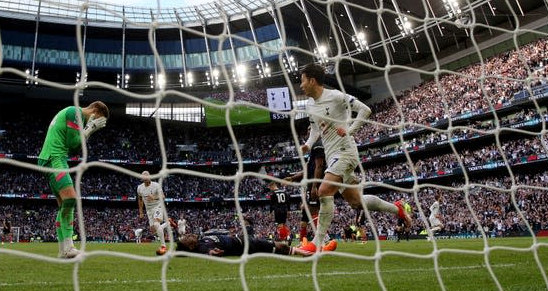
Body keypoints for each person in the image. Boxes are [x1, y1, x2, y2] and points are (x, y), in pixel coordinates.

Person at [297, 63, 412, 254]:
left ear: (312, 80)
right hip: (331, 155)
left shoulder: (336, 97)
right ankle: (397, 208)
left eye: (302, 81)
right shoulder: (310, 105)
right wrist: (308, 145)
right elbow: (316, 129)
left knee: (324, 190)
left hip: (345, 152)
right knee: (356, 203)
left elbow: (365, 110)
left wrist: (349, 130)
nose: (301, 86)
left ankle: (317, 243)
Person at [38, 101, 109, 258]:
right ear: (95, 110)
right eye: (98, 118)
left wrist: (88, 129)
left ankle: (63, 250)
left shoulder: (78, 118)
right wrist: (90, 128)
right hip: (54, 157)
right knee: (71, 199)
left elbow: (75, 148)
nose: (97, 122)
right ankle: (69, 247)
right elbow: (73, 143)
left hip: (54, 158)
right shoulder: (74, 112)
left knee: (64, 204)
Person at [284, 133, 325, 245]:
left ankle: (322, 240)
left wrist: (314, 186)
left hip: (315, 183)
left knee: (314, 211)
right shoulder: (313, 147)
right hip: (310, 185)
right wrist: (292, 178)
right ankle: (303, 242)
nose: (308, 132)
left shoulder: (318, 144)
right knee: (305, 216)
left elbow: (319, 166)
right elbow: (307, 169)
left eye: (310, 129)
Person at [175, 233, 312, 257]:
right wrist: (213, 253)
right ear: (191, 247)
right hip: (245, 245)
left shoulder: (202, 240)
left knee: (276, 246)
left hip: (243, 240)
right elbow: (209, 252)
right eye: (186, 239)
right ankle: (306, 253)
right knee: (278, 246)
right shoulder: (201, 247)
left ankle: (300, 249)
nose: (187, 236)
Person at [137, 171, 169, 254]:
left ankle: (163, 246)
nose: (146, 178)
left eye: (147, 177)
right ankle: (168, 223)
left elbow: (163, 197)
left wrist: (154, 197)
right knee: (154, 230)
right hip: (149, 210)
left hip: (158, 205)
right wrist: (141, 212)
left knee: (156, 224)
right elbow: (140, 200)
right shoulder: (140, 188)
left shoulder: (156, 185)